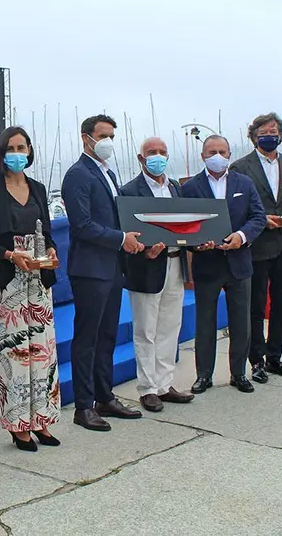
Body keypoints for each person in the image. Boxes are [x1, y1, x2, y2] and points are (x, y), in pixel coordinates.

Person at [0, 126, 61, 452]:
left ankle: (42, 420)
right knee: (15, 354)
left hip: (38, 282)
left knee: (43, 352)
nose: (17, 153)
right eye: (11, 147)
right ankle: (18, 425)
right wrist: (10, 254)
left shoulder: (37, 188)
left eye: (22, 147)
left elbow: (47, 234)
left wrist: (50, 251)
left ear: (30, 151)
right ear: (1, 153)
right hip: (8, 281)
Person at [61, 114, 145, 431]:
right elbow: (82, 225)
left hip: (113, 268)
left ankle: (104, 396)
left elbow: (116, 216)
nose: (108, 141)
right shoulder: (77, 175)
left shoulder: (107, 173)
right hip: (90, 270)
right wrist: (122, 240)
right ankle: (83, 405)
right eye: (102, 135)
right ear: (86, 138)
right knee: (88, 338)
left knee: (108, 335)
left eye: (112, 135)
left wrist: (135, 237)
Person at [182, 135, 266, 394]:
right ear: (202, 156)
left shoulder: (244, 183)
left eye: (221, 151)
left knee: (241, 322)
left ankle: (238, 373)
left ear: (229, 154)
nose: (217, 156)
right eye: (211, 152)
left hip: (238, 263)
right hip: (207, 264)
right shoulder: (190, 188)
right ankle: (203, 375)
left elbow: (258, 217)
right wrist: (195, 244)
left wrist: (241, 237)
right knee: (204, 323)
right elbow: (182, 225)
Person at [119, 138, 194, 412]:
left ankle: (165, 384)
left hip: (175, 264)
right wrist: (142, 252)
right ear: (141, 158)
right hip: (147, 267)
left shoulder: (175, 188)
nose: (158, 157)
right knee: (145, 330)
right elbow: (126, 236)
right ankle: (147, 388)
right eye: (152, 153)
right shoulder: (129, 192)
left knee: (170, 327)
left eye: (162, 152)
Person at [230, 113, 282, 383]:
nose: (269, 135)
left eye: (273, 131)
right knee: (256, 306)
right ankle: (256, 360)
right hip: (259, 245)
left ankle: (275, 356)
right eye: (263, 132)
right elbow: (240, 207)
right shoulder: (240, 167)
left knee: (281, 305)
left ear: (281, 135)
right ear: (253, 136)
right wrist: (263, 222)